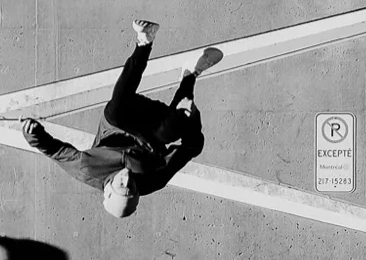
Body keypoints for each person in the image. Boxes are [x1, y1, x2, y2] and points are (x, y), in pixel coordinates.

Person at [20, 20, 221, 219]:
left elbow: (56, 152)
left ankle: (144, 41)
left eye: (121, 185)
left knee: (114, 111)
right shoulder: (153, 180)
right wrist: (192, 116)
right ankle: (190, 75)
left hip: (121, 120)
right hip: (152, 130)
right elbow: (191, 148)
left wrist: (33, 135)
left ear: (108, 191)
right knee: (174, 127)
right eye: (131, 186)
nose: (126, 179)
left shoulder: (87, 168)